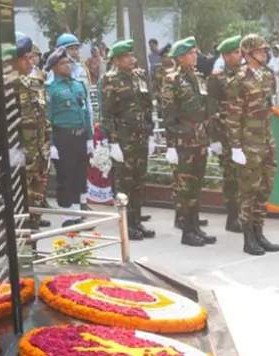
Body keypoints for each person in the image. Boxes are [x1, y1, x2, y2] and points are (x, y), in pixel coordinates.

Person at [225, 34, 279, 256]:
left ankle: (259, 232)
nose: (264, 54)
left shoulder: (267, 75)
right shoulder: (237, 80)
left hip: (266, 140)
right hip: (249, 143)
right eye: (259, 51)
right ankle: (248, 237)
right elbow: (232, 116)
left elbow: (269, 108)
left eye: (264, 50)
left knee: (264, 189)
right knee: (248, 191)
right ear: (248, 54)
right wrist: (235, 147)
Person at [161, 37, 216, 247]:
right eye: (192, 53)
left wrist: (208, 139)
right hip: (183, 141)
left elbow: (205, 111)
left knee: (196, 186)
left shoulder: (198, 77)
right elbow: (168, 113)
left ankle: (195, 227)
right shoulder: (171, 79)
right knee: (183, 188)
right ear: (181, 57)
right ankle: (186, 231)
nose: (196, 55)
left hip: (199, 139)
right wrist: (170, 145)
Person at [99, 39, 156, 240]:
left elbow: (147, 106)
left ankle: (137, 222)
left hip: (140, 138)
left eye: (132, 55)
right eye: (126, 56)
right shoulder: (110, 80)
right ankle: (126, 225)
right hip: (123, 140)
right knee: (125, 183)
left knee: (139, 182)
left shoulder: (139, 76)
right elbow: (106, 115)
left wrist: (151, 134)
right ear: (115, 60)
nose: (131, 59)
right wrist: (113, 142)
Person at [45, 47, 93, 227]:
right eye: (63, 63)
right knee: (66, 177)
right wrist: (51, 144)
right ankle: (67, 216)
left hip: (80, 136)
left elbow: (85, 113)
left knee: (80, 175)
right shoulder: (50, 89)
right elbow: (47, 118)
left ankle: (77, 213)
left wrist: (89, 138)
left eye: (68, 63)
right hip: (62, 137)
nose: (67, 66)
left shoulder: (78, 85)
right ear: (54, 67)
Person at [207, 35, 243, 234]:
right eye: (236, 53)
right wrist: (214, 139)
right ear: (226, 56)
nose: (239, 56)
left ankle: (243, 214)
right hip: (225, 133)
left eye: (239, 52)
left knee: (243, 177)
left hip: (243, 133)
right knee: (230, 178)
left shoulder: (245, 74)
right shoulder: (217, 77)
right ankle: (232, 217)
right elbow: (211, 109)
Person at [15, 32, 52, 229]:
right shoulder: (6, 88)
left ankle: (35, 251)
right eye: (25, 58)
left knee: (36, 208)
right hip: (21, 160)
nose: (31, 62)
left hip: (39, 156)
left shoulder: (36, 83)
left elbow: (44, 119)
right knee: (22, 212)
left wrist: (48, 147)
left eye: (32, 57)